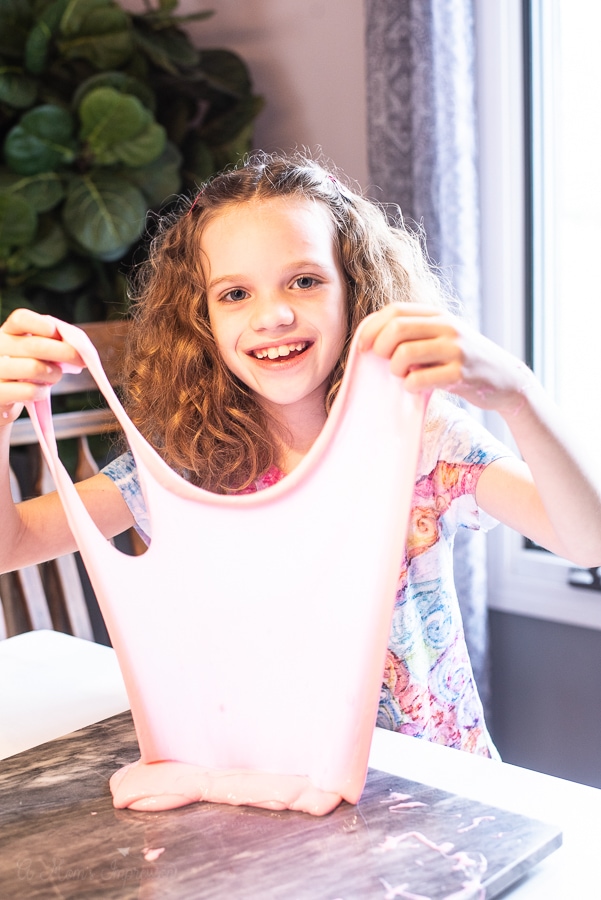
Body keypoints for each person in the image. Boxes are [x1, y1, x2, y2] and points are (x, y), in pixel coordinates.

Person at [1, 152, 600, 759]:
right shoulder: (185, 463)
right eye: (235, 293)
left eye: (305, 281)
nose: (274, 315)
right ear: (201, 320)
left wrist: (522, 396)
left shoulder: (418, 439)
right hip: (269, 785)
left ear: (355, 290)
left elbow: (587, 539)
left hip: (434, 788)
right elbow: (13, 544)